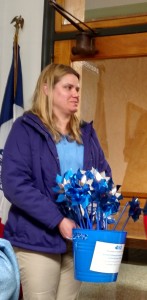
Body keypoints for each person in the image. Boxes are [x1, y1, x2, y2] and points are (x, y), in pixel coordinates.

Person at [1, 63, 112, 300]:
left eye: (78, 88)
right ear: (47, 89)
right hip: (35, 240)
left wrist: (96, 216)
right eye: (68, 87)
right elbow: (14, 183)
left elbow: (104, 179)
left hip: (77, 241)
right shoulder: (25, 129)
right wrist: (58, 220)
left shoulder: (86, 135)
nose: (76, 93)